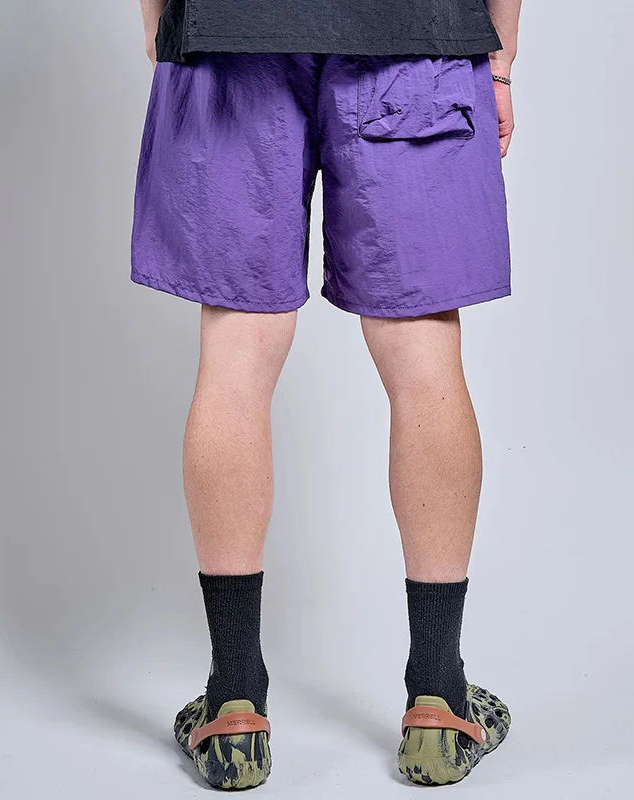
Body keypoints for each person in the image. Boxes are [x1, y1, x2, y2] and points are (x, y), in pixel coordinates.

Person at [133, 0, 522, 789]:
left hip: (232, 35)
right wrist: (501, 57)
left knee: (237, 352)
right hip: (419, 33)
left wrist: (163, 23)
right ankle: (438, 702)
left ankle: (234, 706)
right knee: (422, 351)